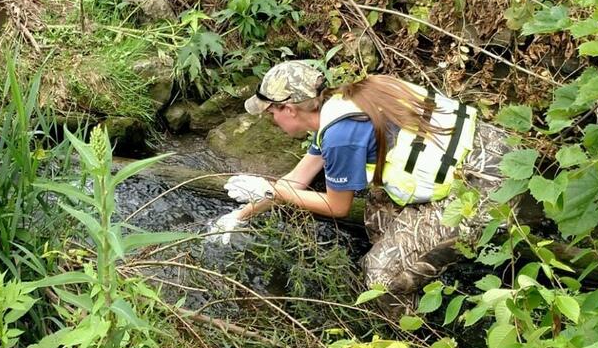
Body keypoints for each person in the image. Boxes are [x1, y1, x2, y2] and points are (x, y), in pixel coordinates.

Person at [212, 60, 510, 297]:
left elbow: (337, 207)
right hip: (495, 151)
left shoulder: (340, 137)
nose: (271, 122)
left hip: (484, 188)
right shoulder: (343, 103)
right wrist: (240, 216)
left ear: (289, 109)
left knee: (377, 277)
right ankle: (412, 267)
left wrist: (266, 191)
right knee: (377, 212)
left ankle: (407, 337)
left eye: (270, 114)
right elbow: (296, 181)